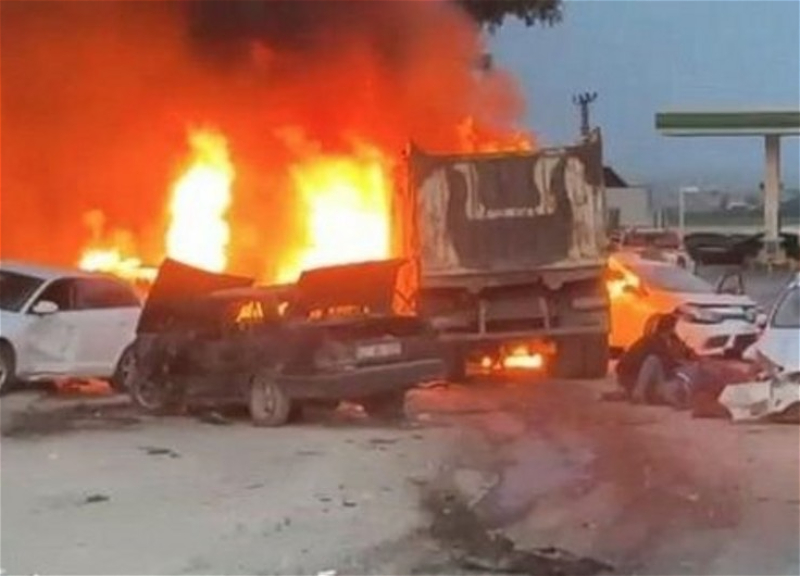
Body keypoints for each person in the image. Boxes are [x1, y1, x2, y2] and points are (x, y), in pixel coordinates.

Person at [616, 312, 697, 406]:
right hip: (638, 381)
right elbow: (668, 364)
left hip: (648, 382)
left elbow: (684, 353)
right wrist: (682, 364)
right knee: (652, 360)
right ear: (671, 329)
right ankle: (640, 393)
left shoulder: (668, 340)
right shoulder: (653, 342)